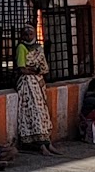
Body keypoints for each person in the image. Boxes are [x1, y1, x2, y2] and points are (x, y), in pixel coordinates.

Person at [15, 28, 62, 156]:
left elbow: (43, 68)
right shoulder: (22, 48)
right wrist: (33, 70)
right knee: (34, 111)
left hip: (39, 83)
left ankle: (47, 143)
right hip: (28, 84)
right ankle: (40, 145)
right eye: (25, 34)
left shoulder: (38, 48)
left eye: (31, 34)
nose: (28, 37)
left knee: (43, 112)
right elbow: (22, 68)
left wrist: (36, 71)